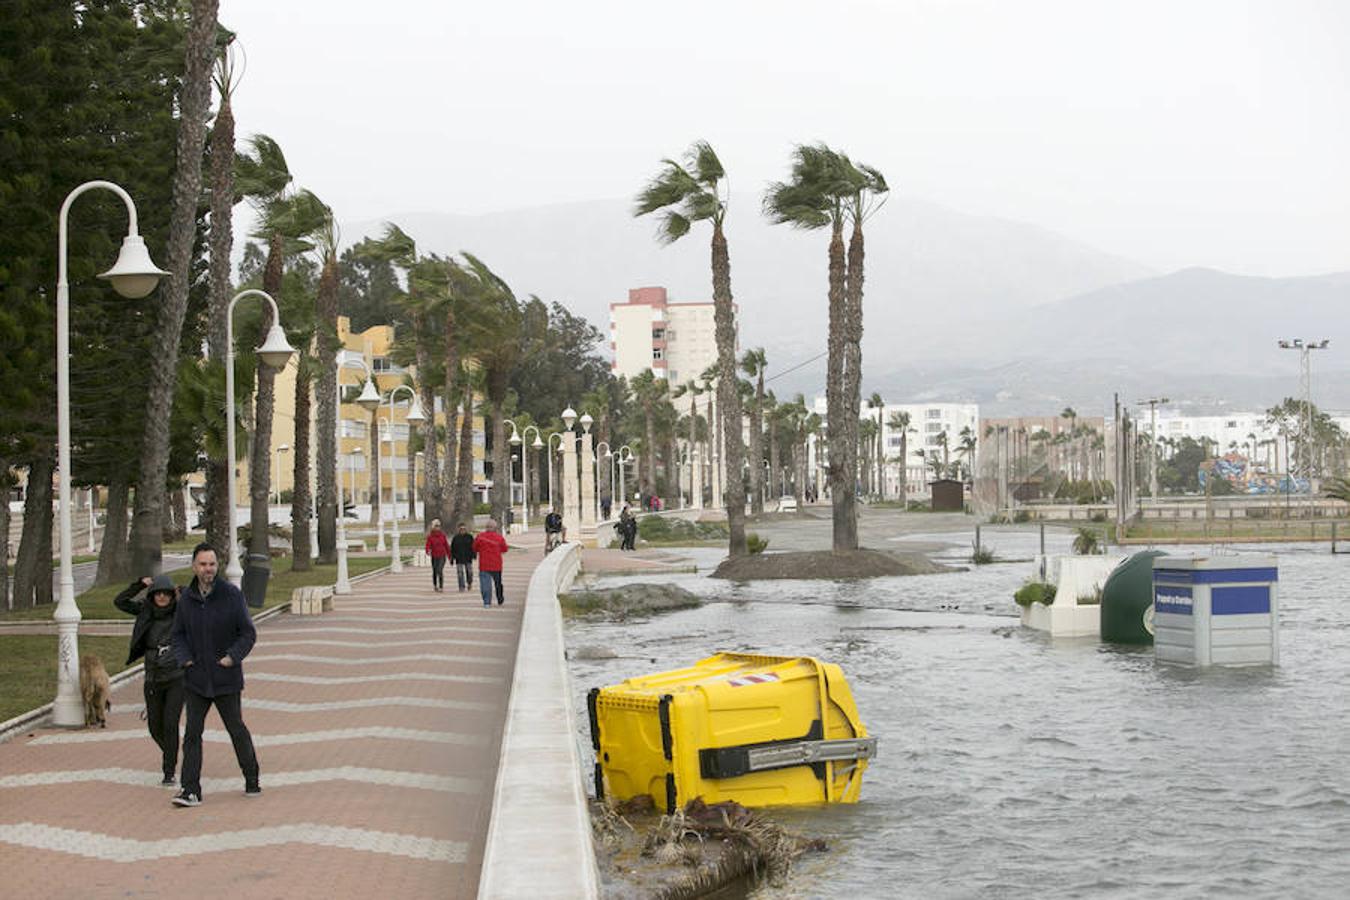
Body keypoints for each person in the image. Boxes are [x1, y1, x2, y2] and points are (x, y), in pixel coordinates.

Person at [170, 543, 259, 807]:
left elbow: (248, 633)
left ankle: (251, 776)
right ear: (194, 566)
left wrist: (232, 657)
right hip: (196, 678)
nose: (207, 569)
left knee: (236, 729)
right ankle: (190, 790)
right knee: (192, 735)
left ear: (217, 566)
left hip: (225, 678)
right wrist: (184, 659)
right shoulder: (186, 599)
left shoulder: (231, 595)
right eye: (203, 564)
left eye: (211, 564)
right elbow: (178, 634)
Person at [113, 573, 184, 786]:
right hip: (153, 676)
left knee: (171, 724)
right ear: (152, 595)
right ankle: (170, 752)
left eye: (166, 594)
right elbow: (120, 602)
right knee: (155, 726)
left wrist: (182, 591)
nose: (162, 598)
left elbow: (200, 602)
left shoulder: (181, 612)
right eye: (158, 594)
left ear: (172, 596)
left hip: (176, 676)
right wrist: (138, 585)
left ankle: (169, 770)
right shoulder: (146, 610)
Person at [472, 518, 510, 607]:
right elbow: (505, 549)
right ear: (495, 528)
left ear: (486, 527)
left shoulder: (480, 537)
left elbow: (474, 548)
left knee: (485, 584)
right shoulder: (499, 538)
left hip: (484, 565)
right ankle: (500, 598)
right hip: (496, 565)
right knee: (498, 583)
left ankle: (487, 602)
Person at [425, 518, 451, 592]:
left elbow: (446, 546)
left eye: (439, 526)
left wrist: (450, 556)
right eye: (436, 526)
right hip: (434, 556)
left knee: (440, 570)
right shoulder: (430, 537)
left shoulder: (443, 536)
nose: (437, 527)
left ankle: (441, 586)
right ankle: (435, 584)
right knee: (435, 571)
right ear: (433, 527)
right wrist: (428, 551)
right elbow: (428, 545)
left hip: (442, 556)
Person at [449, 522, 476, 591]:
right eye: (461, 529)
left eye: (464, 529)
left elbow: (473, 547)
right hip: (459, 558)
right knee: (460, 573)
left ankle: (469, 583)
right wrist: (452, 558)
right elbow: (452, 549)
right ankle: (461, 586)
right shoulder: (455, 538)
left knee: (469, 572)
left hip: (468, 557)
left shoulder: (469, 537)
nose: (462, 530)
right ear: (458, 529)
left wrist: (474, 555)